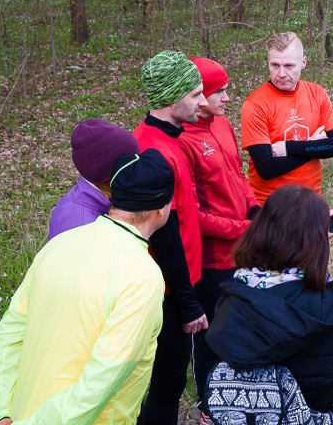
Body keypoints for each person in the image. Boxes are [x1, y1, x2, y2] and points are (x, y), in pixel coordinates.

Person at [0, 149, 173, 424]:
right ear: (162, 208)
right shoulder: (143, 276)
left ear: (112, 197)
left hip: (19, 414)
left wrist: (1, 413)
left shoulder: (60, 244)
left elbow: (6, 337)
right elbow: (102, 379)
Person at [205, 185, 333, 425]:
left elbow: (286, 290)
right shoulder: (332, 309)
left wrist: (307, 237)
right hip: (328, 414)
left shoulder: (236, 293)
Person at [178, 56, 261, 419]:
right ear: (198, 96)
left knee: (241, 327)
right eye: (219, 91)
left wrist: (254, 209)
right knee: (211, 336)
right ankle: (209, 404)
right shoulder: (183, 140)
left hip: (243, 250)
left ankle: (241, 394)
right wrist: (244, 229)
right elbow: (192, 215)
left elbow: (238, 176)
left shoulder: (223, 124)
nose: (227, 97)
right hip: (212, 260)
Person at [133, 49, 209, 424]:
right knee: (168, 380)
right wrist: (188, 301)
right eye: (195, 95)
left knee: (172, 378)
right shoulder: (154, 151)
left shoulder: (171, 137)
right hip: (167, 290)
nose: (204, 101)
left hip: (181, 281)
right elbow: (163, 236)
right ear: (169, 99)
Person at [240, 31, 333, 204]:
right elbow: (267, 168)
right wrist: (313, 145)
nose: (281, 73)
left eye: (289, 66)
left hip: (311, 201)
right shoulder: (254, 104)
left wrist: (289, 148)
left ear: (303, 62)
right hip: (271, 205)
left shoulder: (317, 93)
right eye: (275, 65)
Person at [48, 118, 140, 239]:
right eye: (132, 166)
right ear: (114, 174)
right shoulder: (84, 227)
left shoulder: (89, 200)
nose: (139, 171)